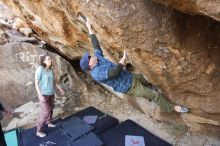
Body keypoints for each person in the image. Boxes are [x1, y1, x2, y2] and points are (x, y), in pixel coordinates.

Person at [80, 20, 189, 114]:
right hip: (129, 87)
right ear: (90, 64)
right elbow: (114, 73)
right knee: (154, 95)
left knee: (146, 79)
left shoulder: (97, 59)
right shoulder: (96, 73)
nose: (91, 55)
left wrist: (89, 28)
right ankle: (173, 108)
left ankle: (149, 89)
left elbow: (96, 45)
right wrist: (122, 61)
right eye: (89, 57)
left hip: (130, 77)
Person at [35, 54, 65, 138]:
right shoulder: (40, 69)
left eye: (50, 59)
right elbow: (36, 83)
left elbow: (54, 81)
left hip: (51, 93)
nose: (50, 60)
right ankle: (38, 130)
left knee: (51, 109)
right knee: (46, 112)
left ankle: (49, 123)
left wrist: (60, 89)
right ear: (44, 61)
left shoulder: (50, 69)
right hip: (43, 94)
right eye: (48, 59)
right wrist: (40, 95)